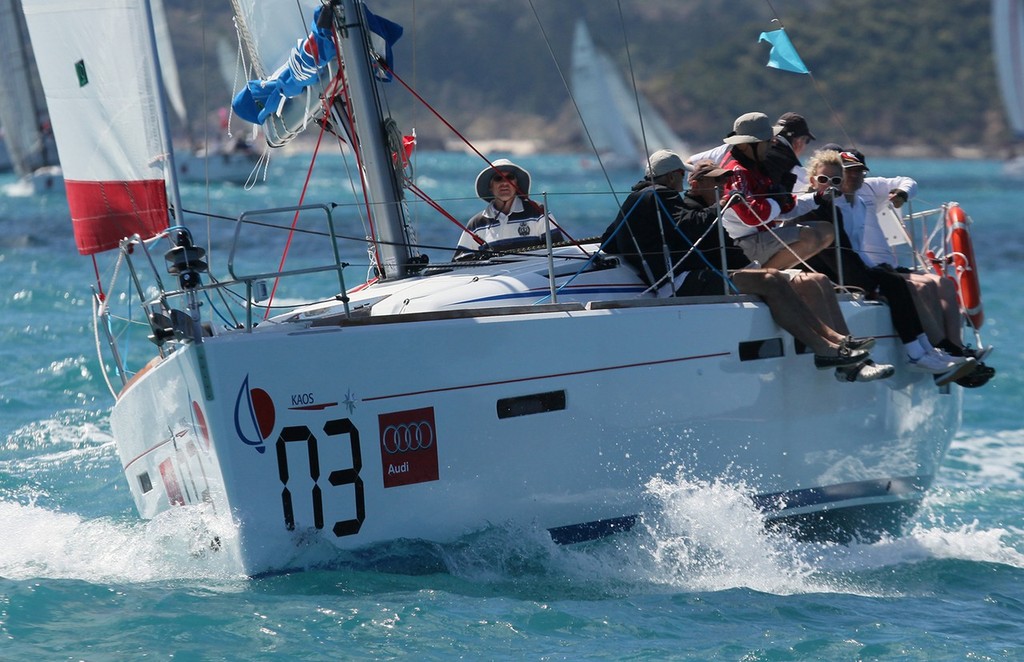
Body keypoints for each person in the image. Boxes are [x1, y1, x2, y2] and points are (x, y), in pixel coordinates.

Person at [600, 149, 881, 377]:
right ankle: (826, 346)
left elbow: (609, 238)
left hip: (688, 275)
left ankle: (833, 341)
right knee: (771, 280)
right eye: (681, 178)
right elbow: (688, 225)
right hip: (676, 282)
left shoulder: (643, 197)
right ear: (674, 177)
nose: (722, 187)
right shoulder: (658, 195)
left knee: (775, 277)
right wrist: (722, 206)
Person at [795, 150, 976, 385]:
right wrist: (872, 276)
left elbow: (853, 246)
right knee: (894, 284)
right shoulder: (817, 205)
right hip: (830, 270)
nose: (832, 185)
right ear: (812, 181)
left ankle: (927, 351)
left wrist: (875, 271)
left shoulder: (856, 203)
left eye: (837, 179)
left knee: (896, 282)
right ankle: (920, 353)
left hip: (851, 265)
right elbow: (834, 251)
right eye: (824, 180)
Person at [718, 112, 833, 270]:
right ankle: (761, 276)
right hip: (742, 243)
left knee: (826, 231)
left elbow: (783, 210)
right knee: (809, 236)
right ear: (745, 145)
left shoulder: (757, 166)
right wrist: (777, 200)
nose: (773, 143)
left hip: (762, 235)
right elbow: (753, 217)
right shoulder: (736, 171)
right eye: (766, 140)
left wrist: (816, 198)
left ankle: (768, 273)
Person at [453, 159, 563, 260]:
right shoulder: (476, 224)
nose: (504, 183)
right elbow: (460, 262)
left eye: (509, 178)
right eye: (498, 178)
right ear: (490, 187)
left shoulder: (538, 212)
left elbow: (561, 253)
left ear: (516, 184)